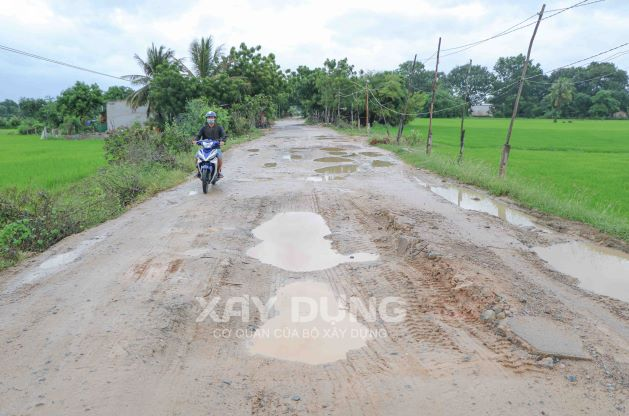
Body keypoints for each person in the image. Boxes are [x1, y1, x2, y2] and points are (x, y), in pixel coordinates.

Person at [193, 111, 227, 178]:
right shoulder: (203, 128)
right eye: (209, 117)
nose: (210, 119)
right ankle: (199, 172)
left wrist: (223, 141)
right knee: (197, 156)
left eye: (211, 117)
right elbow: (198, 135)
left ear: (214, 118)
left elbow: (224, 135)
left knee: (219, 157)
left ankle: (218, 173)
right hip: (205, 148)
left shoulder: (219, 127)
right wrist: (195, 140)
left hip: (216, 148)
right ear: (207, 119)